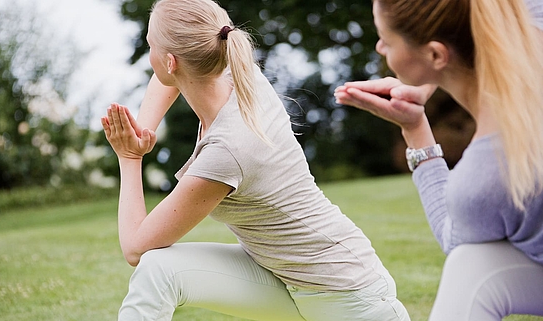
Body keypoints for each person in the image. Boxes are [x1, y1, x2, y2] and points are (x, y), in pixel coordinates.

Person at [101, 0, 410, 320]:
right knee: (159, 270)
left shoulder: (227, 150)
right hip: (286, 280)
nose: (151, 56)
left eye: (151, 45)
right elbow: (167, 76)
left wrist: (129, 156)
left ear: (169, 62)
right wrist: (145, 129)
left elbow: (135, 247)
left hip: (348, 294)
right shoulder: (240, 73)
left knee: (149, 261)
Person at [334, 0, 543, 320]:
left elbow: (455, 236)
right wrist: (429, 81)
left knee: (470, 263)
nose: (379, 47)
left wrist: (415, 129)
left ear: (435, 55)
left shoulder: (490, 172)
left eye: (386, 41)